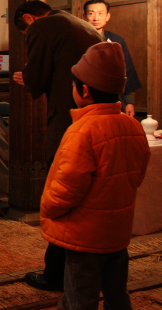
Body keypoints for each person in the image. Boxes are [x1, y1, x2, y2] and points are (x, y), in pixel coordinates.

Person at [41, 42, 150, 309]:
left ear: (84, 90)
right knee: (117, 294)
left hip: (84, 236)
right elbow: (138, 173)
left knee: (81, 297)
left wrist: (47, 207)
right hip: (117, 230)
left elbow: (68, 185)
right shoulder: (131, 125)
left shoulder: (83, 130)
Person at [12, 0, 102, 292]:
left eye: (26, 33)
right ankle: (91, 269)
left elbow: (36, 80)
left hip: (68, 119)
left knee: (62, 190)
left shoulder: (44, 26)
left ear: (28, 18)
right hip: (98, 118)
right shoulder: (84, 25)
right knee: (93, 195)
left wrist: (27, 78)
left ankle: (56, 273)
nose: (29, 36)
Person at [83, 0, 143, 117]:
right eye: (91, 13)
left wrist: (129, 102)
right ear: (84, 16)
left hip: (114, 99)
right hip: (86, 100)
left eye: (100, 14)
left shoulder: (116, 40)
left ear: (107, 16)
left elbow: (127, 71)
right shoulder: (78, 40)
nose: (96, 18)